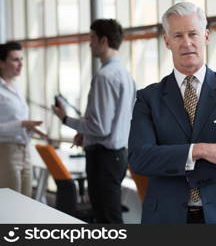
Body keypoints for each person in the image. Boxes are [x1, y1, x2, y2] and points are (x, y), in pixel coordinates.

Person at [128, 2, 216, 224]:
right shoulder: (148, 98)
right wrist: (198, 151)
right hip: (167, 219)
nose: (186, 43)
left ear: (206, 36)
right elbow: (140, 159)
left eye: (193, 34)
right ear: (167, 41)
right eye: (178, 35)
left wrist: (173, 161)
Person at [52, 19, 136, 223]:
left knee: (106, 218)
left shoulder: (105, 76)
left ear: (103, 41)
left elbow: (100, 126)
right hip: (117, 155)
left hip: (103, 158)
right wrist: (86, 133)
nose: (89, 43)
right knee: (111, 215)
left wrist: (65, 119)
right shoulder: (125, 74)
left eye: (92, 38)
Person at [0, 42, 47, 196]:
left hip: (25, 149)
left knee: (26, 200)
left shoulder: (15, 86)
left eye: (22, 59)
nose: (20, 64)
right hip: (6, 151)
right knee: (11, 203)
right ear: (1, 63)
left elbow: (17, 120)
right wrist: (22, 124)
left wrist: (30, 128)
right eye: (15, 60)